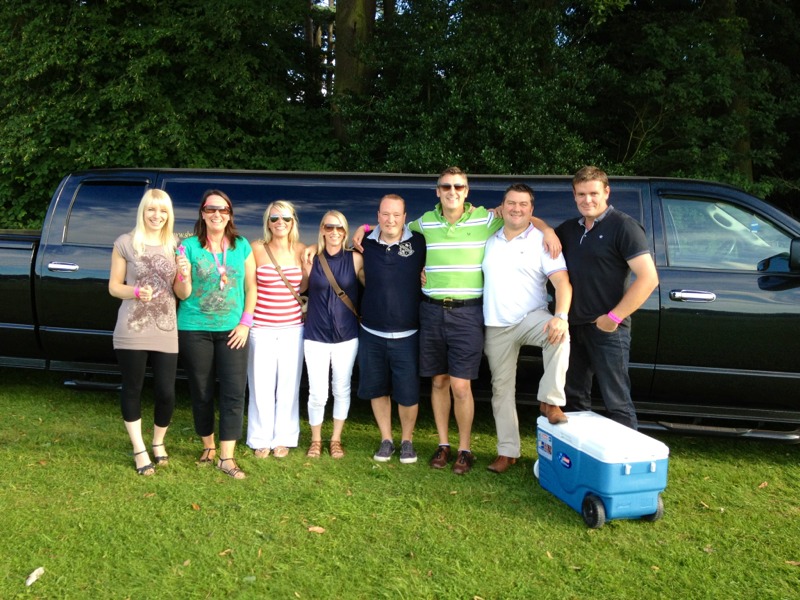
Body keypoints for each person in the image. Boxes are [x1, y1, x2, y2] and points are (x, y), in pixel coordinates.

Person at [354, 167, 559, 475]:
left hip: (468, 313)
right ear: (438, 191)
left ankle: (465, 449)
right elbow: (391, 227)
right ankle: (443, 444)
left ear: (467, 190)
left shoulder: (486, 219)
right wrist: (364, 228)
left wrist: (549, 230)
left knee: (461, 386)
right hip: (431, 311)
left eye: (458, 186)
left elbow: (521, 218)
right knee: (439, 381)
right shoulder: (424, 223)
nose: (452, 191)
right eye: (446, 186)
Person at [556, 166, 659, 429]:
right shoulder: (569, 229)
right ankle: (580, 453)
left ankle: (627, 455)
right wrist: (543, 229)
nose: (587, 200)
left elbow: (648, 278)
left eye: (593, 193)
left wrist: (614, 318)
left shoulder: (623, 226)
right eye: (581, 194)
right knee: (574, 400)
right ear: (574, 195)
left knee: (618, 402)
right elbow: (530, 228)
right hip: (574, 328)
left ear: (606, 192)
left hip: (608, 329)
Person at [482, 183, 572, 474]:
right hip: (496, 325)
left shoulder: (543, 241)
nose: (516, 209)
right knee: (501, 390)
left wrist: (561, 316)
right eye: (511, 203)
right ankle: (507, 452)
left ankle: (550, 401)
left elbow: (562, 283)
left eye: (523, 204)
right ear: (502, 206)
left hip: (531, 317)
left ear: (531, 210)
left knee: (559, 335)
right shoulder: (487, 235)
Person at [109, 189, 190, 475]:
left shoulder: (176, 246)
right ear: (142, 212)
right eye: (151, 210)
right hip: (132, 327)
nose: (157, 216)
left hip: (166, 328)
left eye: (163, 210)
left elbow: (183, 293)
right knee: (133, 387)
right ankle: (139, 448)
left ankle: (158, 442)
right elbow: (114, 286)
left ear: (170, 214)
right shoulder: (125, 243)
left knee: (166, 392)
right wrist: (134, 291)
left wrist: (184, 273)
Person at [178, 190, 257, 479]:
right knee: (201, 391)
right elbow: (182, 293)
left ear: (229, 215)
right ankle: (208, 446)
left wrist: (245, 323)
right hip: (194, 327)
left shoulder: (241, 245)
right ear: (202, 213)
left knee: (234, 392)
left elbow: (251, 286)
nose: (217, 214)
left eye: (223, 210)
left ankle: (227, 456)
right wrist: (183, 274)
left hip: (233, 330)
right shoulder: (187, 246)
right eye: (211, 209)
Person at [357, 194, 427, 464]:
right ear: (377, 216)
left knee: (408, 393)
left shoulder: (418, 242)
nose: (390, 220)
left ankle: (407, 441)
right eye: (385, 214)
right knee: (378, 389)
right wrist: (362, 229)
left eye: (396, 215)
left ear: (404, 217)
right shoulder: (365, 242)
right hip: (371, 332)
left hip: (408, 333)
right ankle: (386, 439)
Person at [246, 201, 307, 459]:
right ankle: (260, 438)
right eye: (274, 218)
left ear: (293, 221)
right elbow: (250, 287)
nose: (280, 222)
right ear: (268, 222)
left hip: (293, 328)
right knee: (260, 385)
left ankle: (284, 437)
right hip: (261, 328)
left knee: (289, 386)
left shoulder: (302, 250)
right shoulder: (257, 248)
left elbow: (305, 286)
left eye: (285, 218)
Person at [303, 211, 363, 459]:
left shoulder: (356, 259)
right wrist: (310, 248)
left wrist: (365, 227)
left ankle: (336, 439)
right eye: (329, 227)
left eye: (340, 228)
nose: (335, 232)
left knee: (342, 389)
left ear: (345, 231)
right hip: (315, 335)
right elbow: (300, 287)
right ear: (322, 229)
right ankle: (316, 440)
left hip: (346, 336)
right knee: (317, 393)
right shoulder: (311, 258)